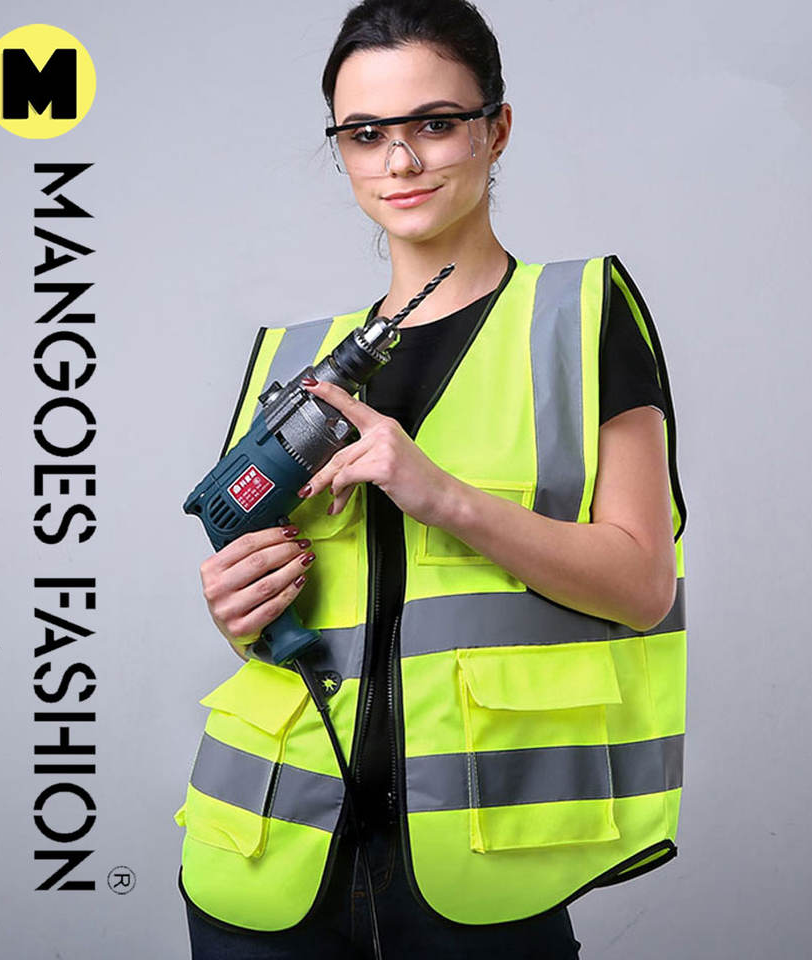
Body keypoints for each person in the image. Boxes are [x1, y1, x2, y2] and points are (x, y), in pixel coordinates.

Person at [175, 1, 688, 957]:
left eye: (436, 123)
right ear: (341, 149)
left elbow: (641, 584)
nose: (401, 161)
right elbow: (285, 601)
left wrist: (441, 494)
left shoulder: (577, 317)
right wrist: (236, 606)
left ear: (497, 128)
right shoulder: (290, 359)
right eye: (366, 134)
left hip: (480, 860)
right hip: (266, 856)